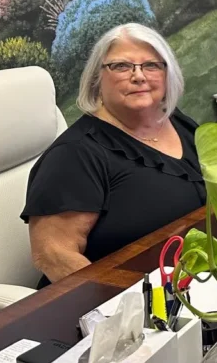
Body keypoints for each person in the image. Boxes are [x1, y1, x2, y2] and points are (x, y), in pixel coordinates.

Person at [22, 23, 206, 287]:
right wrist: (127, 303)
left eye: (151, 65)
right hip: (118, 300)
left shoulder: (178, 123)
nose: (139, 76)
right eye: (121, 66)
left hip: (191, 281)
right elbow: (53, 256)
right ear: (97, 79)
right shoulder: (75, 155)